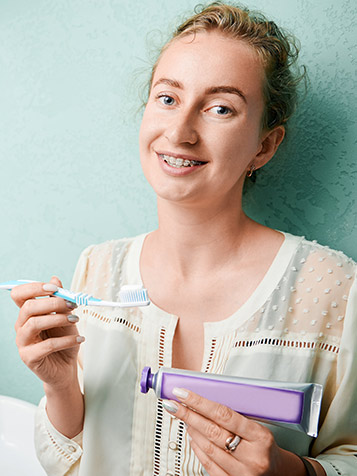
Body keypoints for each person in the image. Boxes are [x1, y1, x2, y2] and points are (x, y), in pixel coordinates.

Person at [11, 3, 357, 476]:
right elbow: (68, 459)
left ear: (265, 145)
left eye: (220, 108)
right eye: (167, 98)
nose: (179, 132)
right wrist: (60, 387)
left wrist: (288, 471)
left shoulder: (335, 290)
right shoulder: (97, 268)